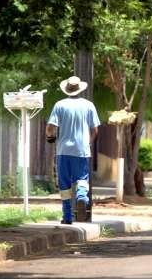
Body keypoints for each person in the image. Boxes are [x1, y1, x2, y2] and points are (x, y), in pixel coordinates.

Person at [46, 76, 100, 224]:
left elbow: (50, 127)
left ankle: (67, 216)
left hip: (63, 150)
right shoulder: (89, 105)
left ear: (67, 89)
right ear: (80, 89)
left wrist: (50, 137)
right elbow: (95, 130)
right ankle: (82, 197)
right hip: (81, 150)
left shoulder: (59, 105)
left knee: (64, 184)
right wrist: (87, 144)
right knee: (82, 178)